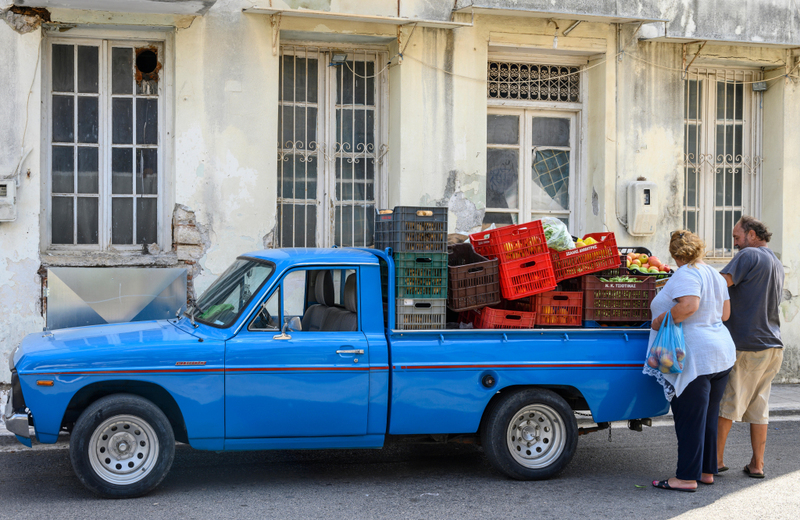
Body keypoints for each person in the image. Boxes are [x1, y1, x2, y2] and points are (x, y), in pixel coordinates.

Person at [646, 230, 736, 492]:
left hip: (694, 356)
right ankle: (706, 471)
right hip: (720, 353)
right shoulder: (714, 274)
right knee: (707, 416)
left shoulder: (686, 273)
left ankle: (685, 478)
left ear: (675, 254)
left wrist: (658, 321)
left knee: (689, 419)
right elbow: (726, 313)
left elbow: (688, 306)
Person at [716, 216, 784, 479]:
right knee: (759, 408)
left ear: (752, 235)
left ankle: (716, 460)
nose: (735, 244)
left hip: (747, 345)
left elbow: (721, 283)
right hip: (772, 346)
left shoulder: (749, 255)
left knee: (727, 404)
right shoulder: (775, 261)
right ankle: (757, 464)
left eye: (737, 238)